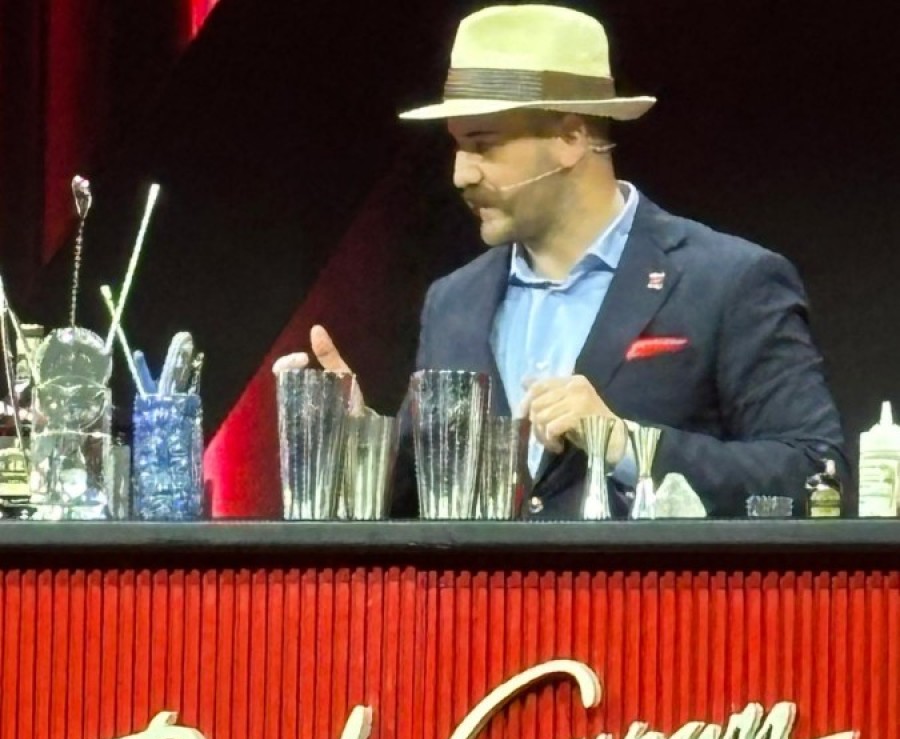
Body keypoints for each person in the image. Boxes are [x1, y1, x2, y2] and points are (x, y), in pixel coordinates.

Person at [289, 3, 848, 518]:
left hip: (651, 598)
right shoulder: (453, 302)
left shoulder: (727, 282)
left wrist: (626, 444)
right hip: (483, 600)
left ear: (572, 137)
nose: (461, 173)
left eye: (484, 144)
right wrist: (358, 441)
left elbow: (818, 474)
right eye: (457, 145)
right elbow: (420, 499)